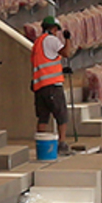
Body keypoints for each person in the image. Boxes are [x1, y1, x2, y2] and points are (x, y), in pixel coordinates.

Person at [32, 14, 74, 145]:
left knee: (43, 118)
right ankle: (62, 143)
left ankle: (41, 145)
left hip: (40, 87)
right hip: (53, 87)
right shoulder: (51, 40)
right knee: (62, 116)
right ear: (54, 29)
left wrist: (61, 70)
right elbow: (66, 53)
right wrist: (68, 39)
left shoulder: (38, 42)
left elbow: (45, 64)